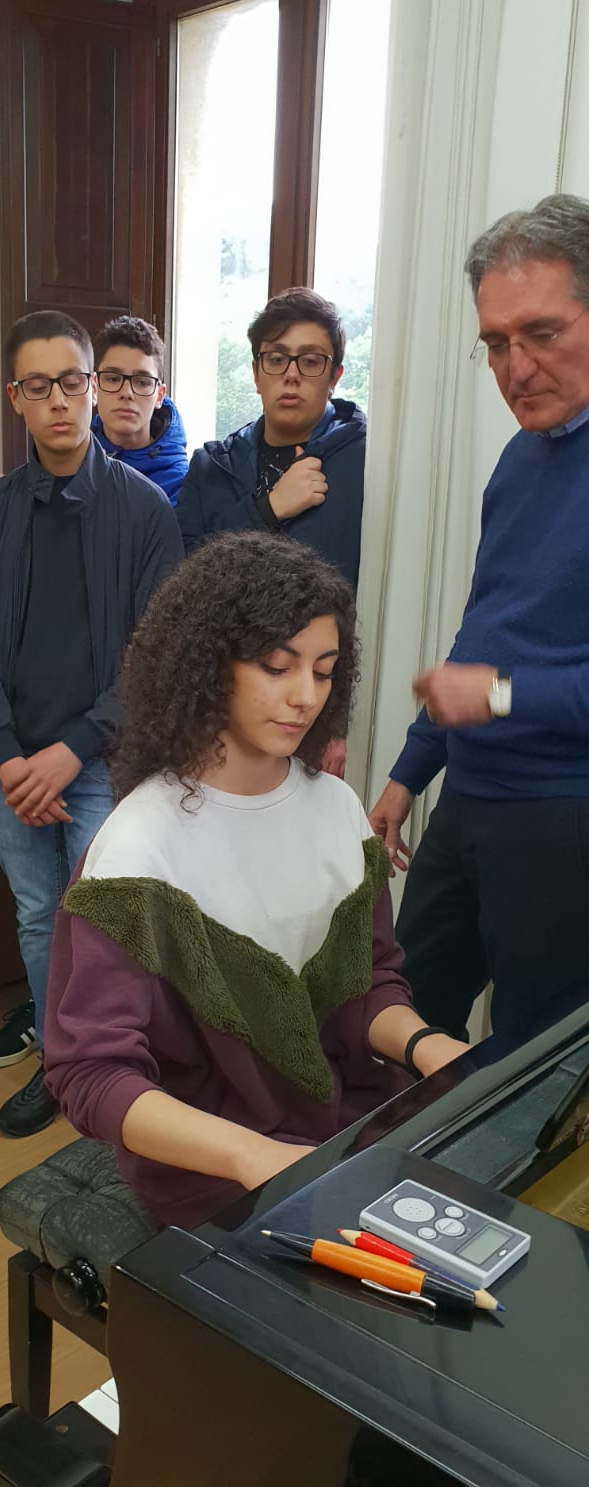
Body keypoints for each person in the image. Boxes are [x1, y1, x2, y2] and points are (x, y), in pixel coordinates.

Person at [42, 532, 467, 1229]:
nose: (304, 697)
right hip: (216, 1168)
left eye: (323, 672)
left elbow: (369, 983)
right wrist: (252, 1156)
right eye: (276, 666)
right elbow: (90, 1075)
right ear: (208, 666)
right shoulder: (136, 852)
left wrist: (429, 1046)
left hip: (350, 1121)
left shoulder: (336, 809)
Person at [0, 309, 183, 1139]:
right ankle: (59, 1066)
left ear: (92, 387)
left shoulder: (144, 510)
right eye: (39, 385)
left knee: (105, 921)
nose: (59, 400)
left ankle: (112, 1072)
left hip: (98, 761)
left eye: (72, 382)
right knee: (37, 916)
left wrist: (71, 751)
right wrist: (8, 754)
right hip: (10, 765)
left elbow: (156, 654)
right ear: (16, 396)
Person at [369, 193, 589, 1040]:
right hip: (467, 800)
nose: (514, 367)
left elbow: (487, 680)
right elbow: (483, 631)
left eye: (540, 333)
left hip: (559, 820)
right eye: (495, 343)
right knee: (400, 1020)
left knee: (530, 1061)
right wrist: (408, 771)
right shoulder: (520, 457)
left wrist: (497, 697)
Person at [175, 287, 365, 588]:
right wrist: (267, 511)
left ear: (335, 377)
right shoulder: (210, 468)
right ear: (256, 374)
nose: (291, 375)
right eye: (276, 359)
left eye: (310, 361)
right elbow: (182, 579)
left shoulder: (366, 464)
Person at [92, 316, 189, 505]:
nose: (126, 393)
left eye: (142, 382)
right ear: (95, 387)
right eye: (113, 379)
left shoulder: (184, 486)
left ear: (159, 396)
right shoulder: (71, 463)